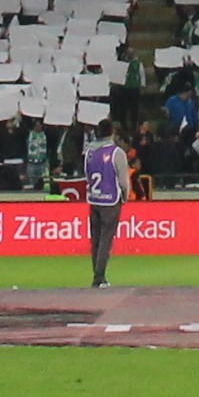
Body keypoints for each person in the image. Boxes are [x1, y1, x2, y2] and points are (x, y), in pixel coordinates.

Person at [81, 118, 131, 286]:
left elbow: (87, 175)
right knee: (105, 241)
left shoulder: (89, 152)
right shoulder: (117, 153)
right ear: (113, 132)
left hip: (94, 199)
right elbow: (124, 180)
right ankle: (99, 277)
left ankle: (97, 275)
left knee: (95, 240)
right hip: (111, 200)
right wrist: (124, 196)